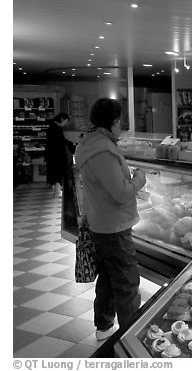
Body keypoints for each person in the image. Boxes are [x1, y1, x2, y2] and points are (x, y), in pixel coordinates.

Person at [75, 98, 146, 340]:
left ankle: (104, 326)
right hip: (113, 226)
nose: (121, 124)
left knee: (108, 276)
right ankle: (132, 339)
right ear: (113, 121)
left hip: (100, 222)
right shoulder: (103, 151)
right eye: (119, 119)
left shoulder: (93, 143)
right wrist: (139, 179)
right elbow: (121, 193)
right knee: (126, 282)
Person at [45, 113, 75, 197]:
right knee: (57, 172)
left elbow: (62, 140)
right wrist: (72, 144)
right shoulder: (55, 128)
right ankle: (57, 192)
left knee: (55, 173)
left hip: (53, 155)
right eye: (66, 121)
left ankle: (57, 190)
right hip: (55, 156)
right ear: (62, 119)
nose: (66, 124)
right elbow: (61, 141)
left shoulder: (53, 126)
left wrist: (71, 144)